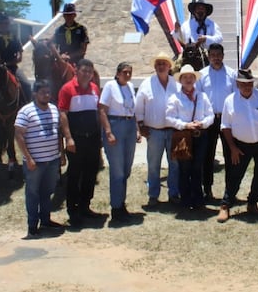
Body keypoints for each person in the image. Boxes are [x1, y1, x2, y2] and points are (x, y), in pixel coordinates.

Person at [217, 68, 258, 222]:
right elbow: (225, 126)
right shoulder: (230, 101)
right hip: (240, 145)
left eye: (250, 83)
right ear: (238, 84)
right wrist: (232, 148)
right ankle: (225, 205)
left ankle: (252, 203)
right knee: (234, 175)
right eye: (243, 84)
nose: (247, 87)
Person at [14, 79, 64, 238]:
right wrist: (28, 158)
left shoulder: (54, 110)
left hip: (52, 160)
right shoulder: (26, 111)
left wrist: (61, 154)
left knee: (47, 191)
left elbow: (58, 134)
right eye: (43, 92)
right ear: (35, 94)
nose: (47, 95)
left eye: (48, 92)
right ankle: (32, 224)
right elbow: (19, 135)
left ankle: (45, 219)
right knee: (33, 192)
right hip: (35, 162)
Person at [58, 58, 102, 225]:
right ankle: (73, 209)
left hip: (92, 138)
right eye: (84, 71)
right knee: (75, 174)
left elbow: (98, 113)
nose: (87, 74)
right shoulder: (67, 89)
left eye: (90, 72)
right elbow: (63, 114)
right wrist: (68, 138)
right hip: (76, 138)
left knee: (91, 173)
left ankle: (85, 206)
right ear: (77, 71)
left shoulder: (94, 89)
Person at [165, 64, 214, 210]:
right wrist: (185, 125)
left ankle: (198, 199)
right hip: (184, 137)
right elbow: (169, 118)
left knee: (197, 168)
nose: (188, 80)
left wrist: (202, 123)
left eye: (190, 77)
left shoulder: (202, 96)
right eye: (185, 77)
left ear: (194, 79)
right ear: (180, 80)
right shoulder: (174, 98)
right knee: (184, 169)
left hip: (200, 135)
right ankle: (186, 200)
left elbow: (210, 115)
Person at [135, 52, 180, 205]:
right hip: (154, 132)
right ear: (155, 67)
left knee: (174, 164)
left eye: (164, 63)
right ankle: (153, 195)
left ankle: (174, 193)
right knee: (154, 164)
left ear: (169, 66)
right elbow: (139, 106)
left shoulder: (177, 84)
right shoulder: (146, 83)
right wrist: (140, 126)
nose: (161, 66)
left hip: (174, 131)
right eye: (158, 64)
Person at [98, 62, 140, 220]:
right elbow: (102, 109)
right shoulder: (110, 86)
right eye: (124, 72)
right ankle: (116, 207)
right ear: (117, 73)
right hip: (115, 125)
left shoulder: (129, 87)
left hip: (129, 126)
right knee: (117, 170)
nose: (127, 75)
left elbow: (133, 110)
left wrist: (136, 129)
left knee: (126, 167)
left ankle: (121, 202)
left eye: (130, 72)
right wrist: (108, 132)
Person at [196, 43, 236, 200]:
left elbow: (236, 98)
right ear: (208, 56)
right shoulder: (202, 75)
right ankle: (207, 190)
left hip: (227, 120)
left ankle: (230, 190)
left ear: (223, 55)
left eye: (219, 55)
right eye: (213, 55)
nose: (216, 58)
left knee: (230, 155)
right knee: (207, 156)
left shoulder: (232, 74)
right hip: (209, 120)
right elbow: (198, 98)